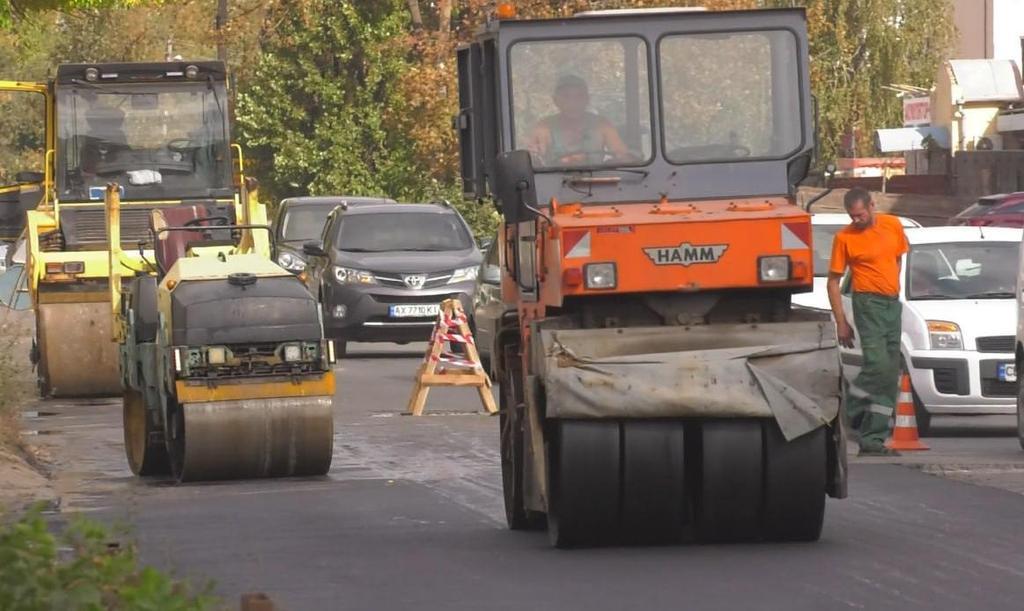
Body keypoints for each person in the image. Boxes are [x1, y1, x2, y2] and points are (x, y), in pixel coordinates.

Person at [827, 188, 909, 456]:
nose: (857, 220)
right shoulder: (844, 238)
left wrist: (891, 289)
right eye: (852, 216)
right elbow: (833, 281)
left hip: (891, 304)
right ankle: (842, 415)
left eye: (860, 215)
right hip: (867, 304)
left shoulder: (892, 225)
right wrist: (841, 321)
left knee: (889, 374)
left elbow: (897, 258)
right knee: (877, 365)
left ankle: (873, 438)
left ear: (873, 206)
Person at [524, 74, 631, 167]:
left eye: (579, 96)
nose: (573, 102)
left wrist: (616, 161)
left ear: (587, 99)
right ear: (555, 100)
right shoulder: (544, 127)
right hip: (555, 184)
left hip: (597, 183)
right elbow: (532, 159)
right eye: (566, 96)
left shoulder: (602, 125)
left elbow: (623, 157)